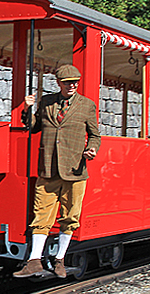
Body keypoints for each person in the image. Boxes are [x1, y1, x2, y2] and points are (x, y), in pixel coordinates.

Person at [14, 64, 101, 279]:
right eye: (68, 82)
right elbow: (33, 126)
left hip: (75, 169)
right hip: (48, 166)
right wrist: (27, 109)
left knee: (70, 216)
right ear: (59, 83)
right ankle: (34, 260)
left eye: (75, 82)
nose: (72, 85)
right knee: (41, 213)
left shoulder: (87, 106)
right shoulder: (46, 102)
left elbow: (95, 135)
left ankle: (59, 259)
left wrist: (92, 149)